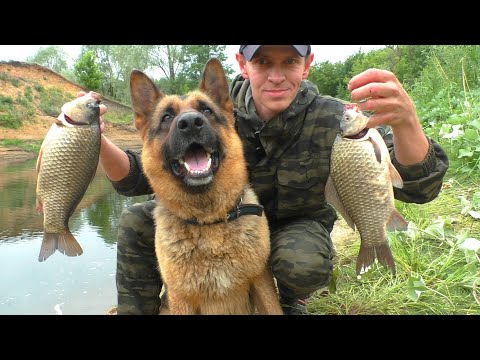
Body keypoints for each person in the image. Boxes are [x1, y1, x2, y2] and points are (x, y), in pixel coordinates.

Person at [88, 45, 449, 315]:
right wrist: (93, 139)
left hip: (295, 227)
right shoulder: (224, 113)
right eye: (263, 62)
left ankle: (291, 303)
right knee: (135, 218)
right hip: (222, 217)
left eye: (289, 61)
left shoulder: (338, 119)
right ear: (243, 65)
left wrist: (406, 123)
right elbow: (136, 176)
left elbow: (421, 188)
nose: (276, 75)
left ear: (307, 65)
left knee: (301, 261)